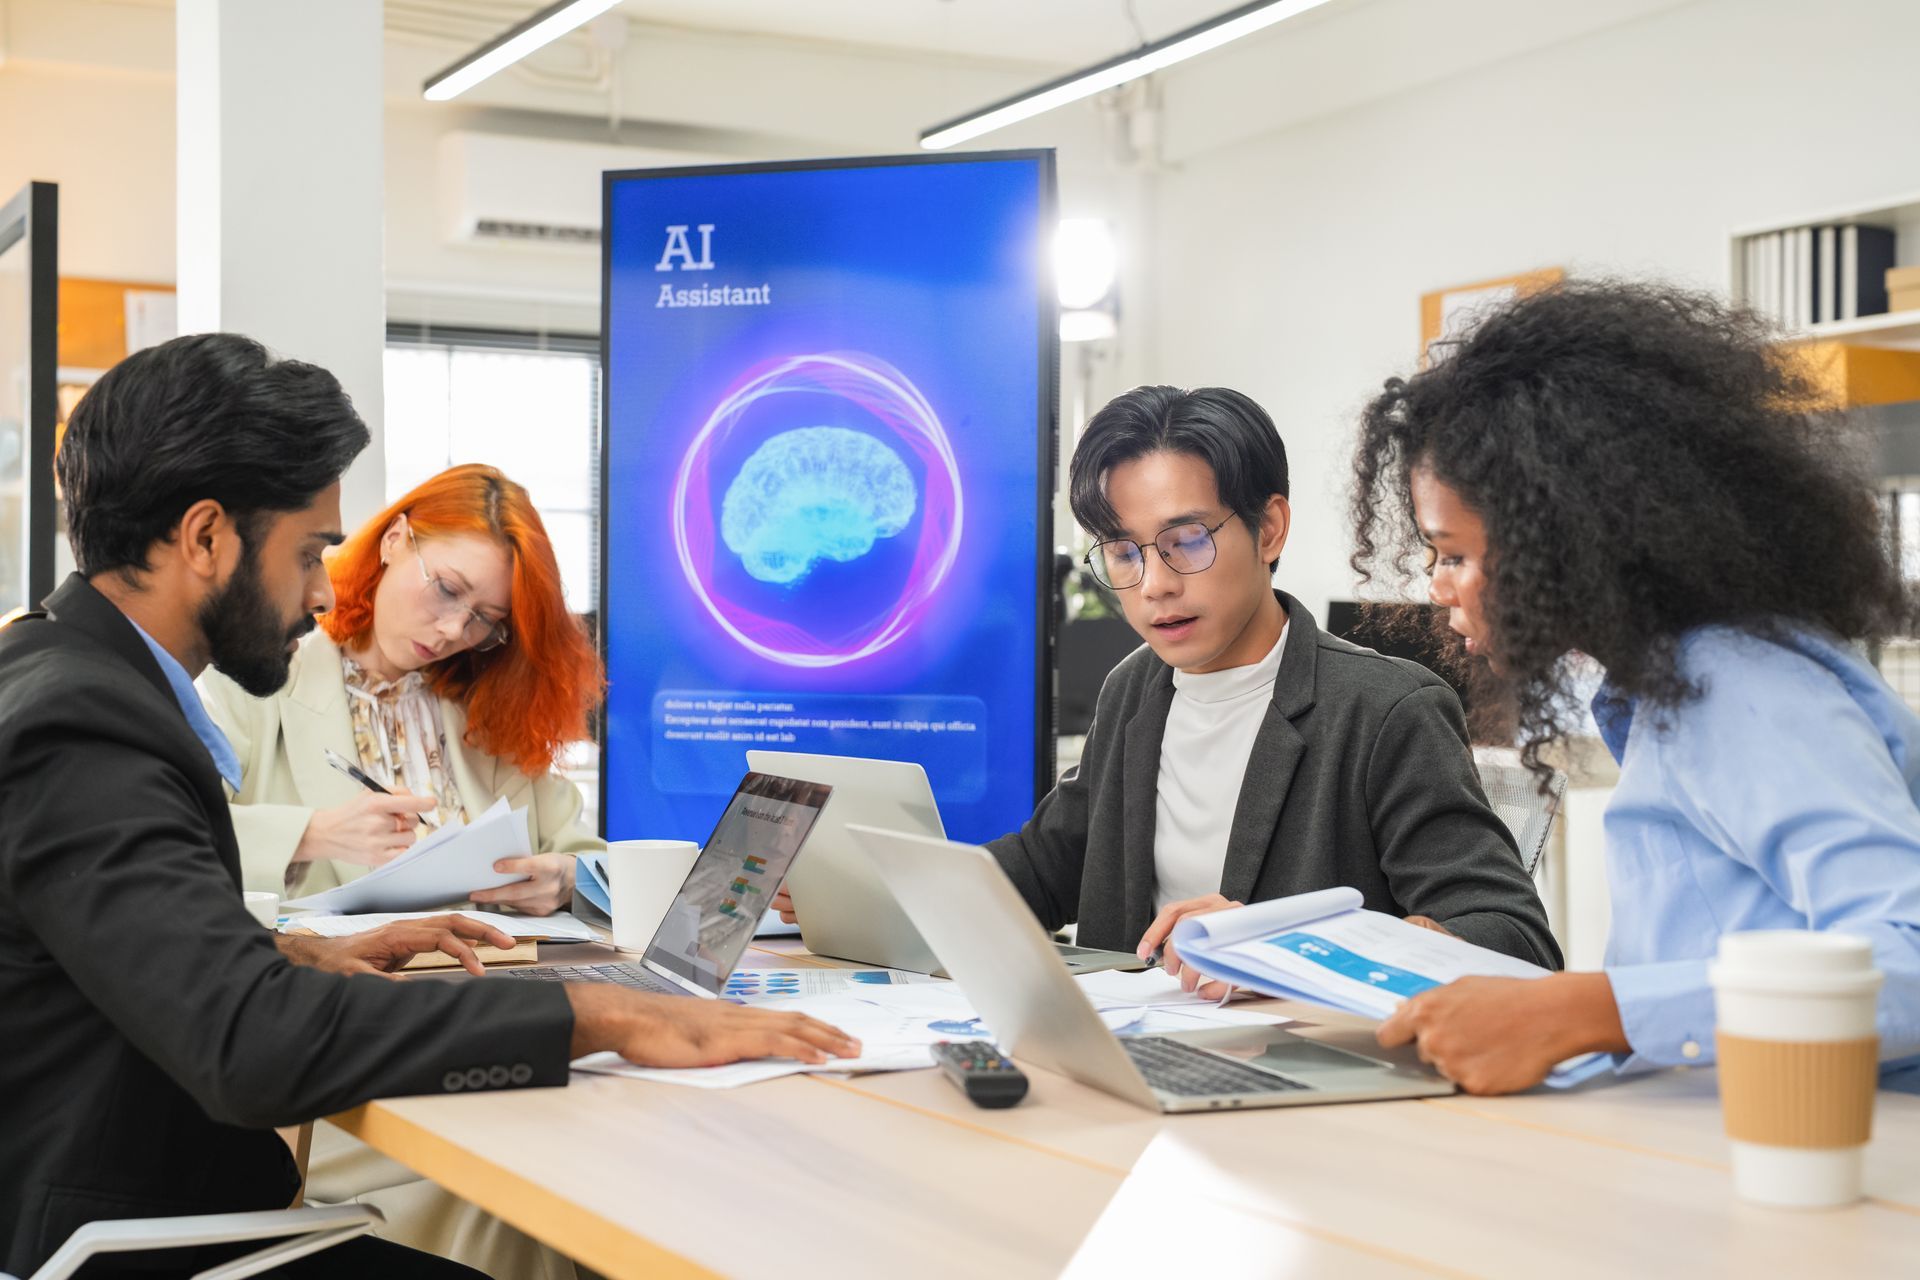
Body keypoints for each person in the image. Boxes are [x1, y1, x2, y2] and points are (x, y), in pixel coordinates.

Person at [0, 334, 858, 1278]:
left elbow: (123, 944)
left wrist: (292, 953)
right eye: (309, 553)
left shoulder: (61, 673)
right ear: (205, 539)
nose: (321, 590)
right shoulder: (86, 723)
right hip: (138, 1245)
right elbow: (247, 1041)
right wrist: (599, 1015)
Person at [776, 385, 1560, 983]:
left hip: (1302, 1080)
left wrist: (1292, 948)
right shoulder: (1136, 690)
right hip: (1131, 1056)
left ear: (1269, 528)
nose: (1154, 584)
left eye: (1185, 541)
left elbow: (1513, 940)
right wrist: (873, 891)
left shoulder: (1385, 710)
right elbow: (1048, 867)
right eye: (1124, 553)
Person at [1349, 280, 1920, 1095]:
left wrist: (1586, 1010)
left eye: (1456, 554)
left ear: (1564, 539)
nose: (1437, 586)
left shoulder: (1738, 685)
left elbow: (1909, 953)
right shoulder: (1671, 683)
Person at [202, 464, 600, 914]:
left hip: (492, 959)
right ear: (394, 539)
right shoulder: (254, 680)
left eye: (485, 619)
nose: (454, 630)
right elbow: (174, 834)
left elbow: (595, 862)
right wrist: (314, 834)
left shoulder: (488, 710)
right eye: (447, 589)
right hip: (319, 960)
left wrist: (567, 879)